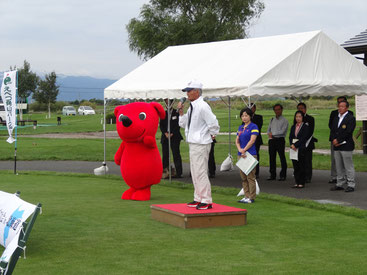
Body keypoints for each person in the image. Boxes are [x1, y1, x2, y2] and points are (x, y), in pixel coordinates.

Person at [178, 80, 220, 210]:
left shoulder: (202, 106)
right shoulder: (192, 107)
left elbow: (213, 123)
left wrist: (212, 135)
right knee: (195, 171)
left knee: (200, 171)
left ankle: (206, 199)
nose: (188, 94)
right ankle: (198, 197)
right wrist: (180, 113)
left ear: (197, 91)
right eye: (187, 91)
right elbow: (184, 124)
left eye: (190, 91)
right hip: (194, 142)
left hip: (201, 143)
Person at [330, 100, 356, 192]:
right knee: (338, 165)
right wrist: (333, 139)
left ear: (347, 108)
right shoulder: (336, 118)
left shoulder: (351, 118)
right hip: (337, 145)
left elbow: (348, 132)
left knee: (348, 165)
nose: (340, 108)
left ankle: (351, 184)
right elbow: (333, 130)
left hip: (346, 145)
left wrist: (338, 140)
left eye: (342, 106)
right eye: (339, 106)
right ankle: (340, 183)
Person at [236, 107, 259, 203]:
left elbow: (252, 140)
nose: (244, 118)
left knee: (250, 177)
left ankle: (251, 197)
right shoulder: (240, 128)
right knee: (243, 177)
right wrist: (240, 150)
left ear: (250, 116)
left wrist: (244, 150)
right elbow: (237, 141)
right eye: (242, 116)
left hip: (250, 154)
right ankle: (246, 195)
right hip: (241, 154)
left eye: (246, 115)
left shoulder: (254, 127)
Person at [160, 99, 183, 179]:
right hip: (165, 137)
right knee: (165, 154)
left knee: (176, 154)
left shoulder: (176, 113)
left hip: (175, 136)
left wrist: (172, 133)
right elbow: (161, 125)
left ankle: (179, 172)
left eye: (169, 102)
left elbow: (178, 125)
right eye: (166, 102)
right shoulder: (163, 113)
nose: (167, 104)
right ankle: (166, 172)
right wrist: (165, 133)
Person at [267, 104, 289, 181]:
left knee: (282, 157)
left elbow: (282, 131)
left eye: (278, 109)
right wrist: (270, 134)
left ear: (282, 110)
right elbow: (268, 130)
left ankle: (283, 175)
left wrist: (273, 134)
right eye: (275, 110)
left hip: (280, 140)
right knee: (272, 158)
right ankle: (272, 174)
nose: (277, 111)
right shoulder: (272, 119)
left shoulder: (285, 120)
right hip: (272, 141)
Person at [289, 111, 310, 188]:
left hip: (301, 148)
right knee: (295, 166)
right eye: (296, 117)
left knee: (301, 165)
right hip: (293, 148)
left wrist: (296, 145)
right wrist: (291, 144)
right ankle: (297, 181)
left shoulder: (305, 127)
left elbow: (304, 138)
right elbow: (290, 136)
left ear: (302, 118)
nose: (298, 118)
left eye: (299, 117)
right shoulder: (293, 126)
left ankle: (301, 182)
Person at [297, 102, 316, 183]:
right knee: (300, 160)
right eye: (299, 108)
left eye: (302, 108)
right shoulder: (297, 119)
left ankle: (308, 176)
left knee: (307, 160)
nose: (300, 110)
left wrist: (303, 140)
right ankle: (301, 175)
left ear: (305, 109)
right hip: (299, 143)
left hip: (307, 143)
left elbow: (310, 132)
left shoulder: (310, 119)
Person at [251, 104, 263, 178]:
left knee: (255, 155)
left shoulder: (259, 117)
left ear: (255, 109)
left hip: (256, 139)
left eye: (252, 108)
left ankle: (256, 172)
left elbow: (258, 127)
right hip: (248, 140)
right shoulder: (246, 117)